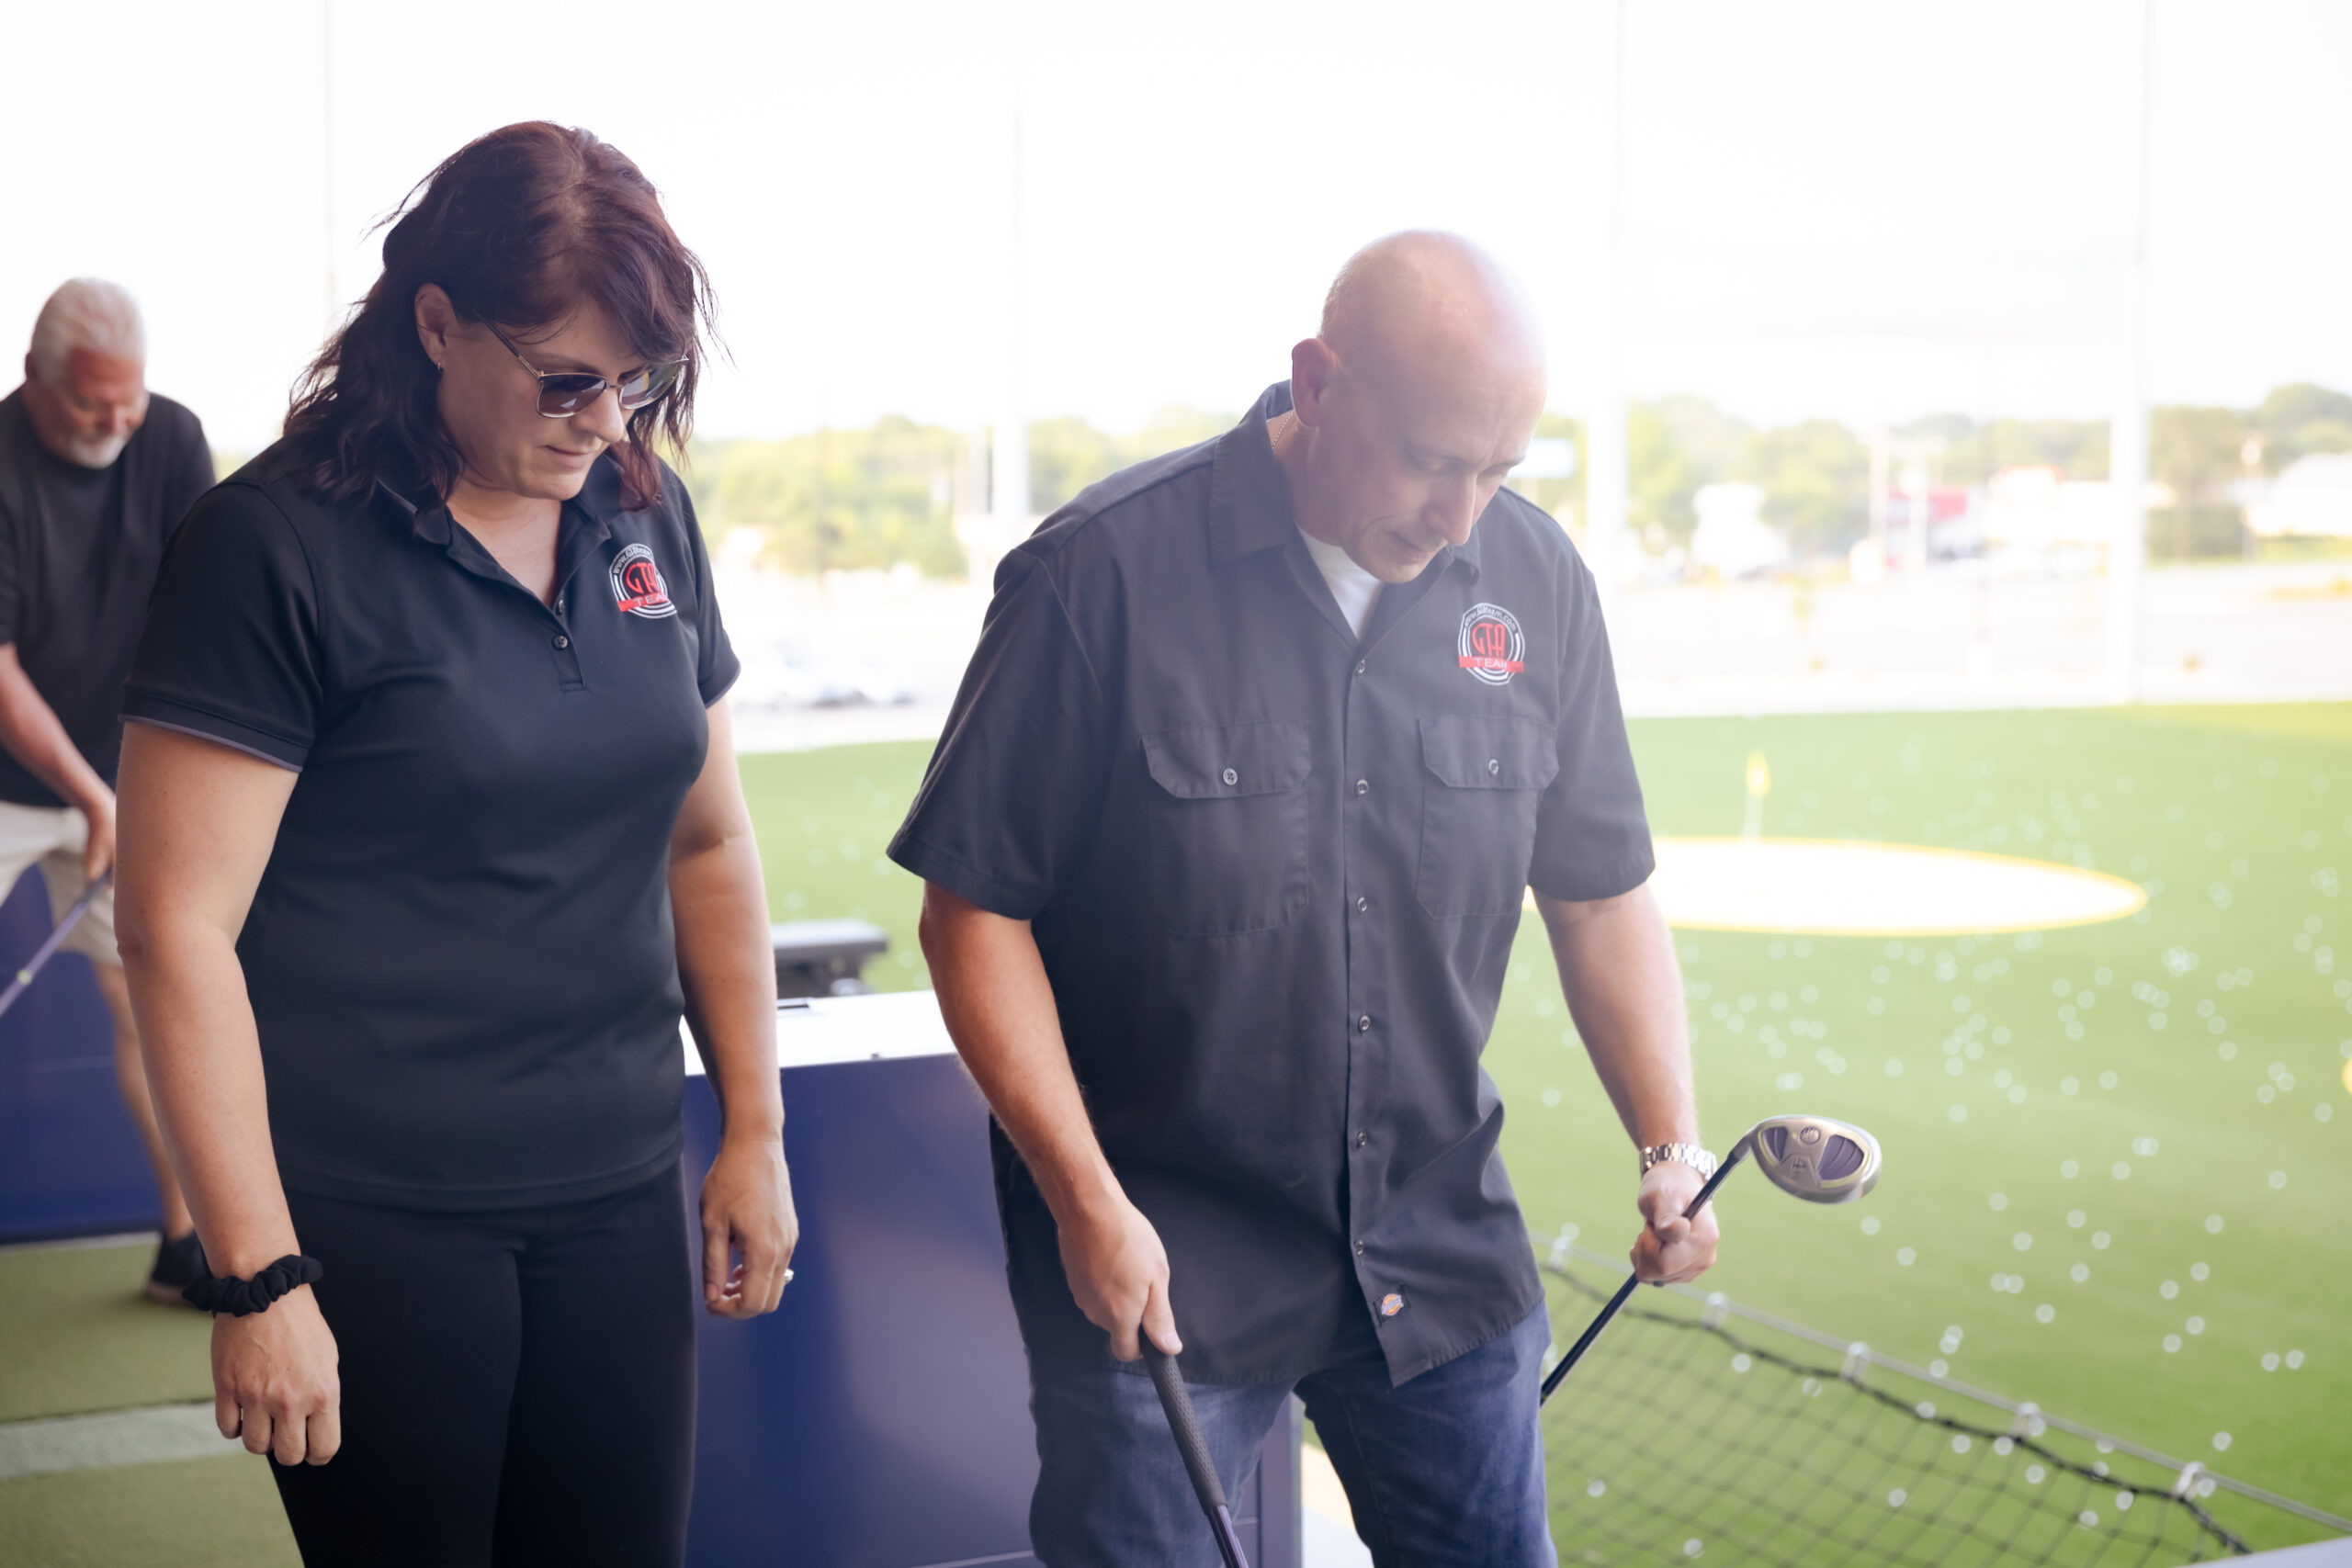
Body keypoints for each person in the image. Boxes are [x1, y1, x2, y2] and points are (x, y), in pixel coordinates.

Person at [890, 231, 1719, 1566]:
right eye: (1433, 461)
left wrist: (1668, 1144)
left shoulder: (1536, 580)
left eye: (1500, 472)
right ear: (1318, 384)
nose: (1462, 518)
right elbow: (973, 914)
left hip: (1438, 1247)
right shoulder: (1097, 573)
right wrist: (1083, 1199)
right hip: (1157, 1257)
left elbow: (1600, 892)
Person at [112, 122, 796, 1567]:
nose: (604, 419)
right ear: (436, 324)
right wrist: (258, 1275)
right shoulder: (271, 545)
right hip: (377, 1216)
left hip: (617, 1187)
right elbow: (176, 926)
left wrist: (755, 1126)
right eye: (566, 378)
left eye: (636, 382)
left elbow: (709, 838)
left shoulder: (644, 511)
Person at [0, 278, 213, 1302]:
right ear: (35, 379)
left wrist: (137, 786)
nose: (117, 422)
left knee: (148, 1002)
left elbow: (202, 611)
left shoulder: (170, 439)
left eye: (130, 399)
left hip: (123, 773)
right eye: (93, 403)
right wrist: (94, 798)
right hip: (14, 777)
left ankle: (185, 1244)